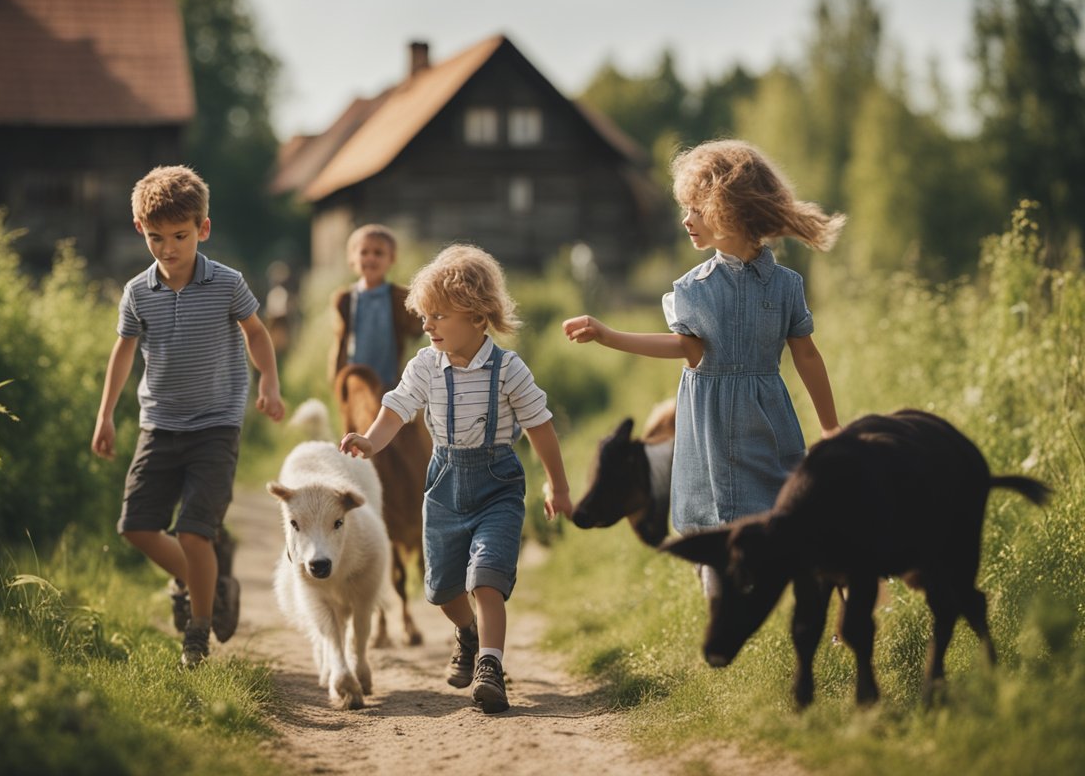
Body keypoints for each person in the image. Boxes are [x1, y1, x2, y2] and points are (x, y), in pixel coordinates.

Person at [563, 139, 842, 597]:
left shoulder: (787, 286)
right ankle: (723, 607)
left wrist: (830, 427)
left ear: (731, 209)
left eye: (696, 207)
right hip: (708, 427)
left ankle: (824, 596)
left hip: (766, 420)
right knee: (710, 517)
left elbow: (807, 356)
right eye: (684, 208)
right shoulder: (693, 288)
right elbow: (686, 348)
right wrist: (609, 335)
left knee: (787, 512)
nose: (685, 219)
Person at [339, 244, 572, 714]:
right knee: (443, 589)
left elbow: (540, 426)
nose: (427, 326)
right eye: (424, 317)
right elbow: (396, 409)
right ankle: (467, 633)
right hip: (444, 483)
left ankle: (490, 665)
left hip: (498, 485)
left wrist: (558, 485)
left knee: (486, 577)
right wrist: (369, 441)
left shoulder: (508, 369)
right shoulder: (425, 364)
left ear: (478, 316)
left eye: (438, 316)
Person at [91, 165, 285, 667]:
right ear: (140, 229)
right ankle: (209, 581)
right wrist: (106, 414)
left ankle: (197, 633)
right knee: (135, 526)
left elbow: (257, 333)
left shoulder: (225, 283)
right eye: (156, 237)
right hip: (159, 425)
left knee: (195, 532)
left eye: (179, 236)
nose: (168, 248)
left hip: (215, 427)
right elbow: (123, 352)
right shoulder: (138, 292)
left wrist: (269, 380)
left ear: (203, 228)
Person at [328, 224, 423, 390]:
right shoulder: (345, 299)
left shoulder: (399, 298)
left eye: (378, 253)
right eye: (364, 252)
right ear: (352, 258)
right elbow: (340, 340)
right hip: (355, 379)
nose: (371, 258)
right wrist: (337, 376)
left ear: (391, 258)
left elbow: (416, 331)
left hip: (390, 379)